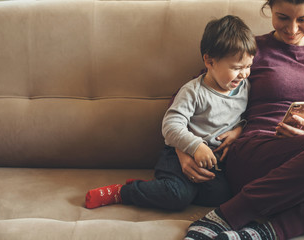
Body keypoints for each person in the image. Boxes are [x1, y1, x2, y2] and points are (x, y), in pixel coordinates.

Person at [183, 0, 304, 239]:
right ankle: (229, 215)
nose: (292, 29)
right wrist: (185, 147)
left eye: (303, 19)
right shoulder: (252, 48)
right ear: (269, 9)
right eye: (282, 17)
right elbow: (192, 94)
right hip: (257, 153)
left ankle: (266, 233)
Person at [84, 15, 257, 210]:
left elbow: (250, 116)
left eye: (248, 66)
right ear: (209, 61)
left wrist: (239, 129)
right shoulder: (193, 91)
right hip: (178, 154)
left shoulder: (245, 87)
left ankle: (155, 190)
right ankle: (123, 192)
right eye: (236, 68)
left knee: (221, 196)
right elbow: (170, 125)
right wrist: (195, 146)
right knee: (176, 197)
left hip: (211, 161)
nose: (244, 74)